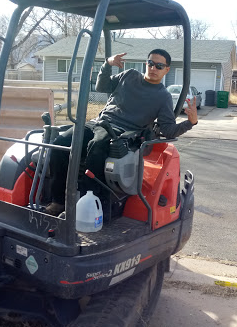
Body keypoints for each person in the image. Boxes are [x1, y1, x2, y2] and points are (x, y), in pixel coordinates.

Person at [45, 49, 198, 216]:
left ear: (166, 69)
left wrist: (190, 122)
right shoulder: (130, 75)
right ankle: (58, 201)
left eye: (159, 66)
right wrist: (107, 64)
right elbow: (102, 86)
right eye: (151, 63)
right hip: (98, 122)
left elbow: (168, 130)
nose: (154, 68)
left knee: (96, 148)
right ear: (146, 64)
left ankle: (92, 207)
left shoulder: (163, 97)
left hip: (122, 132)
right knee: (59, 144)